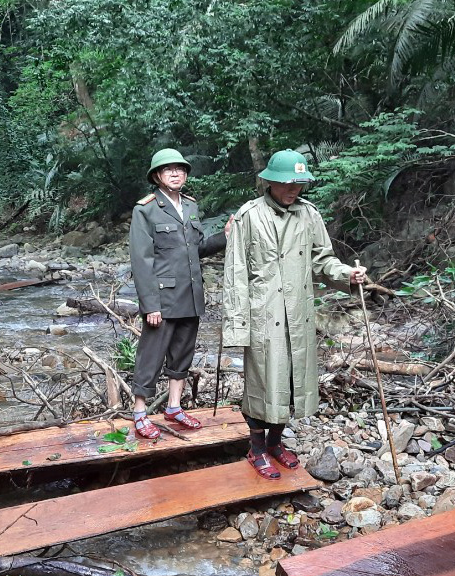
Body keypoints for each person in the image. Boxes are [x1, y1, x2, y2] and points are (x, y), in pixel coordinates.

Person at [222, 149, 365, 479]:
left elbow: (322, 260)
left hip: (298, 314)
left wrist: (346, 274)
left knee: (291, 380)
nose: (293, 190)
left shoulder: (309, 215)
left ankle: (275, 443)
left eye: (299, 184)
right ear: (269, 182)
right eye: (287, 183)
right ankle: (256, 449)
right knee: (263, 383)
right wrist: (237, 325)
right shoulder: (248, 216)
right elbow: (235, 273)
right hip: (264, 314)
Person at [128, 148, 230, 439]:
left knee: (182, 353)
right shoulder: (145, 209)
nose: (176, 173)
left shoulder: (190, 206)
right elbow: (142, 260)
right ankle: (139, 412)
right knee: (151, 354)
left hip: (190, 295)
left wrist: (226, 236)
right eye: (168, 169)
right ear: (157, 176)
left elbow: (196, 249)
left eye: (180, 169)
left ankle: (174, 407)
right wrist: (150, 305)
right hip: (162, 297)